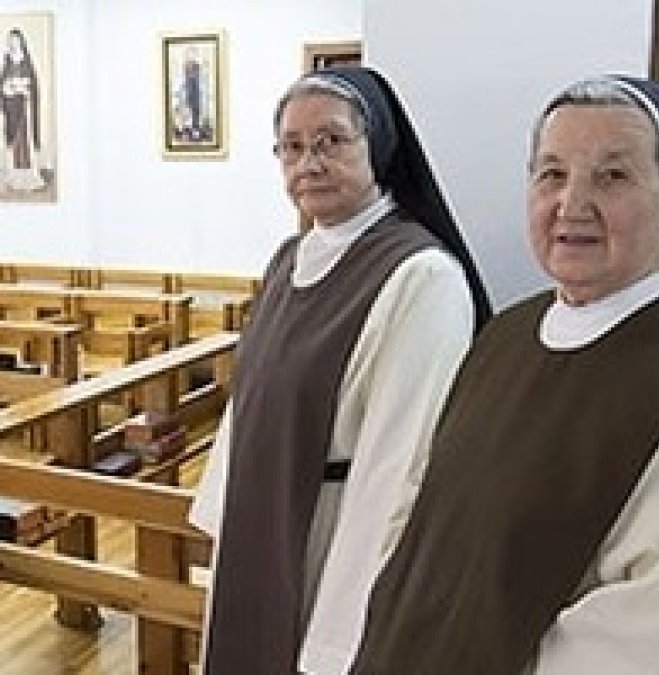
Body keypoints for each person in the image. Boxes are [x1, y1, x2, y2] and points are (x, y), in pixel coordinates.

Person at [351, 75, 659, 674]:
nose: (572, 205)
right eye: (551, 174)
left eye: (613, 175)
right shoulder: (506, 336)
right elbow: (419, 519)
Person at [188, 66, 492, 674]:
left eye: (331, 141)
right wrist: (227, 516)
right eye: (292, 148)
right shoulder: (288, 259)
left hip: (332, 532)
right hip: (262, 515)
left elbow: (400, 465)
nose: (310, 163)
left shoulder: (420, 276)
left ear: (376, 144)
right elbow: (251, 398)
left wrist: (342, 628)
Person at [0, 28, 45, 192]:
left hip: (25, 109)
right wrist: (7, 89)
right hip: (12, 107)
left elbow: (33, 86)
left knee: (25, 142)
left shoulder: (27, 63)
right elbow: (1, 85)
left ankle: (29, 178)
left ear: (21, 42)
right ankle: (16, 178)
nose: (13, 43)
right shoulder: (7, 62)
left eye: (16, 40)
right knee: (15, 144)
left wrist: (25, 89)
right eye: (10, 41)